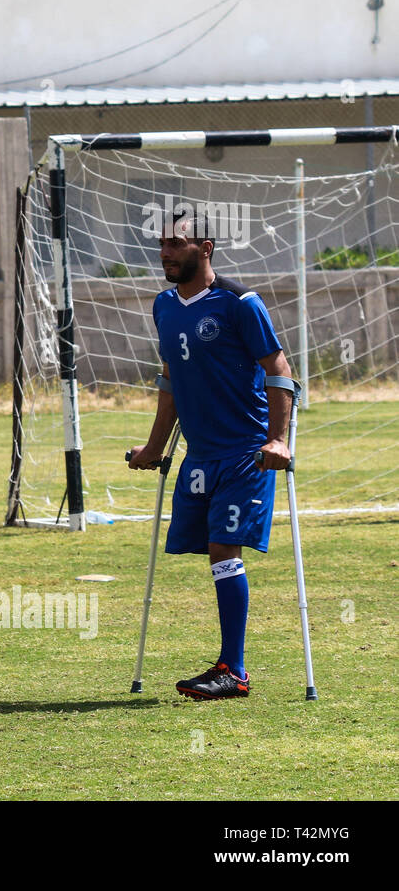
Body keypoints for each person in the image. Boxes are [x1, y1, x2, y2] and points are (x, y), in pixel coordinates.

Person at [129, 206, 294, 700]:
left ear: (205, 249)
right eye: (161, 244)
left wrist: (278, 440)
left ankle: (233, 670)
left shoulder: (241, 304)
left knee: (225, 548)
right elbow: (170, 382)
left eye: (175, 244)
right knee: (211, 554)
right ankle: (230, 667)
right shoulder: (163, 305)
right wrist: (155, 448)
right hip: (198, 456)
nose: (165, 253)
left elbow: (280, 372)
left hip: (246, 453)